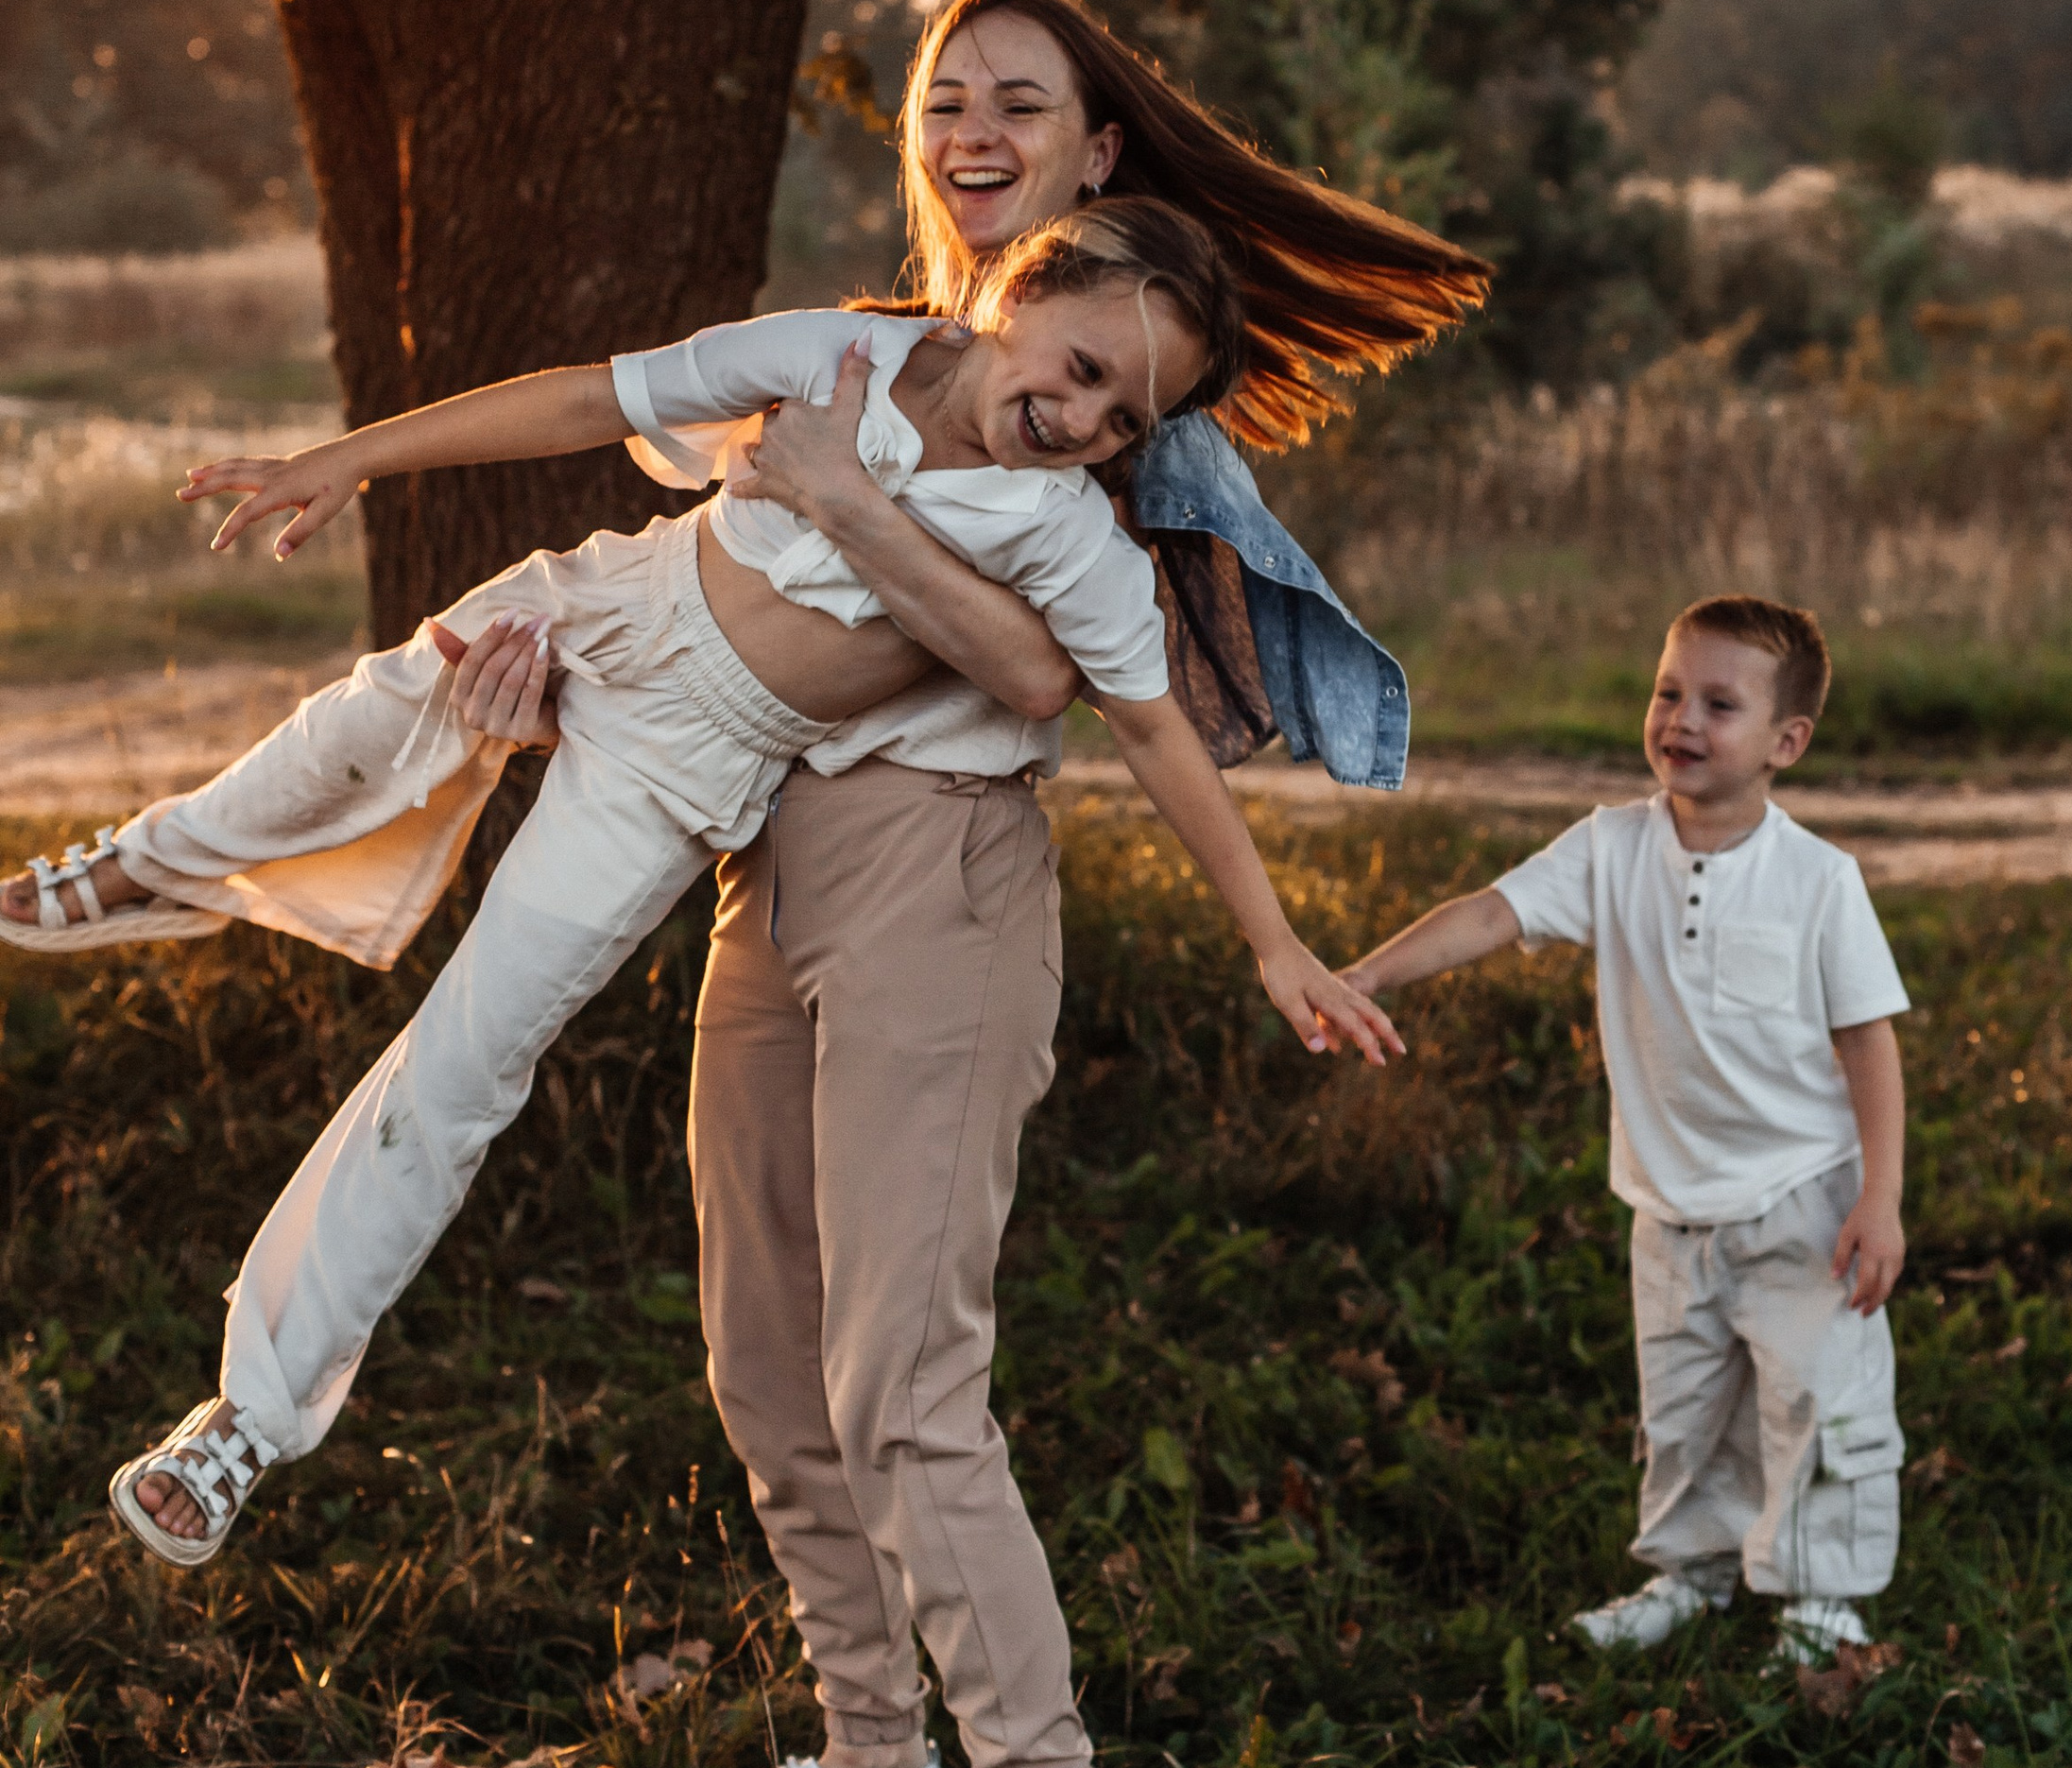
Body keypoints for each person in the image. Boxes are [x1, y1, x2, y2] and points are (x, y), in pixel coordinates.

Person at [7, 207, 1400, 1637]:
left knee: (465, 1063)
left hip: (683, 766)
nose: (1088, 416)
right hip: (610, 605)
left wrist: (1273, 940)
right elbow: (586, 399)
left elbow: (1155, 736)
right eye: (1089, 361)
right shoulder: (840, 353)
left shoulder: (1058, 535)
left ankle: (245, 1416)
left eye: (1127, 416)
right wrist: (347, 457)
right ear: (1019, 289)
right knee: (367, 717)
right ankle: (145, 865)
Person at [558, 0, 1490, 1768]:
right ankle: (870, 1745)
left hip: (942, 889)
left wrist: (1268, 938)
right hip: (771, 863)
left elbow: (1096, 695)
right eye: (944, 98)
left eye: (1022, 105)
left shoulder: (1112, 412)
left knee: (905, 1368)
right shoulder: (881, 361)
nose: (973, 132)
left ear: (1096, 161)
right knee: (762, 1343)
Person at [1338, 596, 1911, 1672]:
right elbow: (1489, 912)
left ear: (1786, 743)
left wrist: (1878, 1200)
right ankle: (1689, 1575)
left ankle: (1818, 1599)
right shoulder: (1610, 847)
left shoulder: (1817, 880)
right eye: (1667, 692)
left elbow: (1869, 1046)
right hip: (1667, 1203)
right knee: (1685, 1407)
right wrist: (1367, 973)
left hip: (1804, 1201)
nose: (1680, 720)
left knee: (1813, 1400)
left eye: (1718, 704)